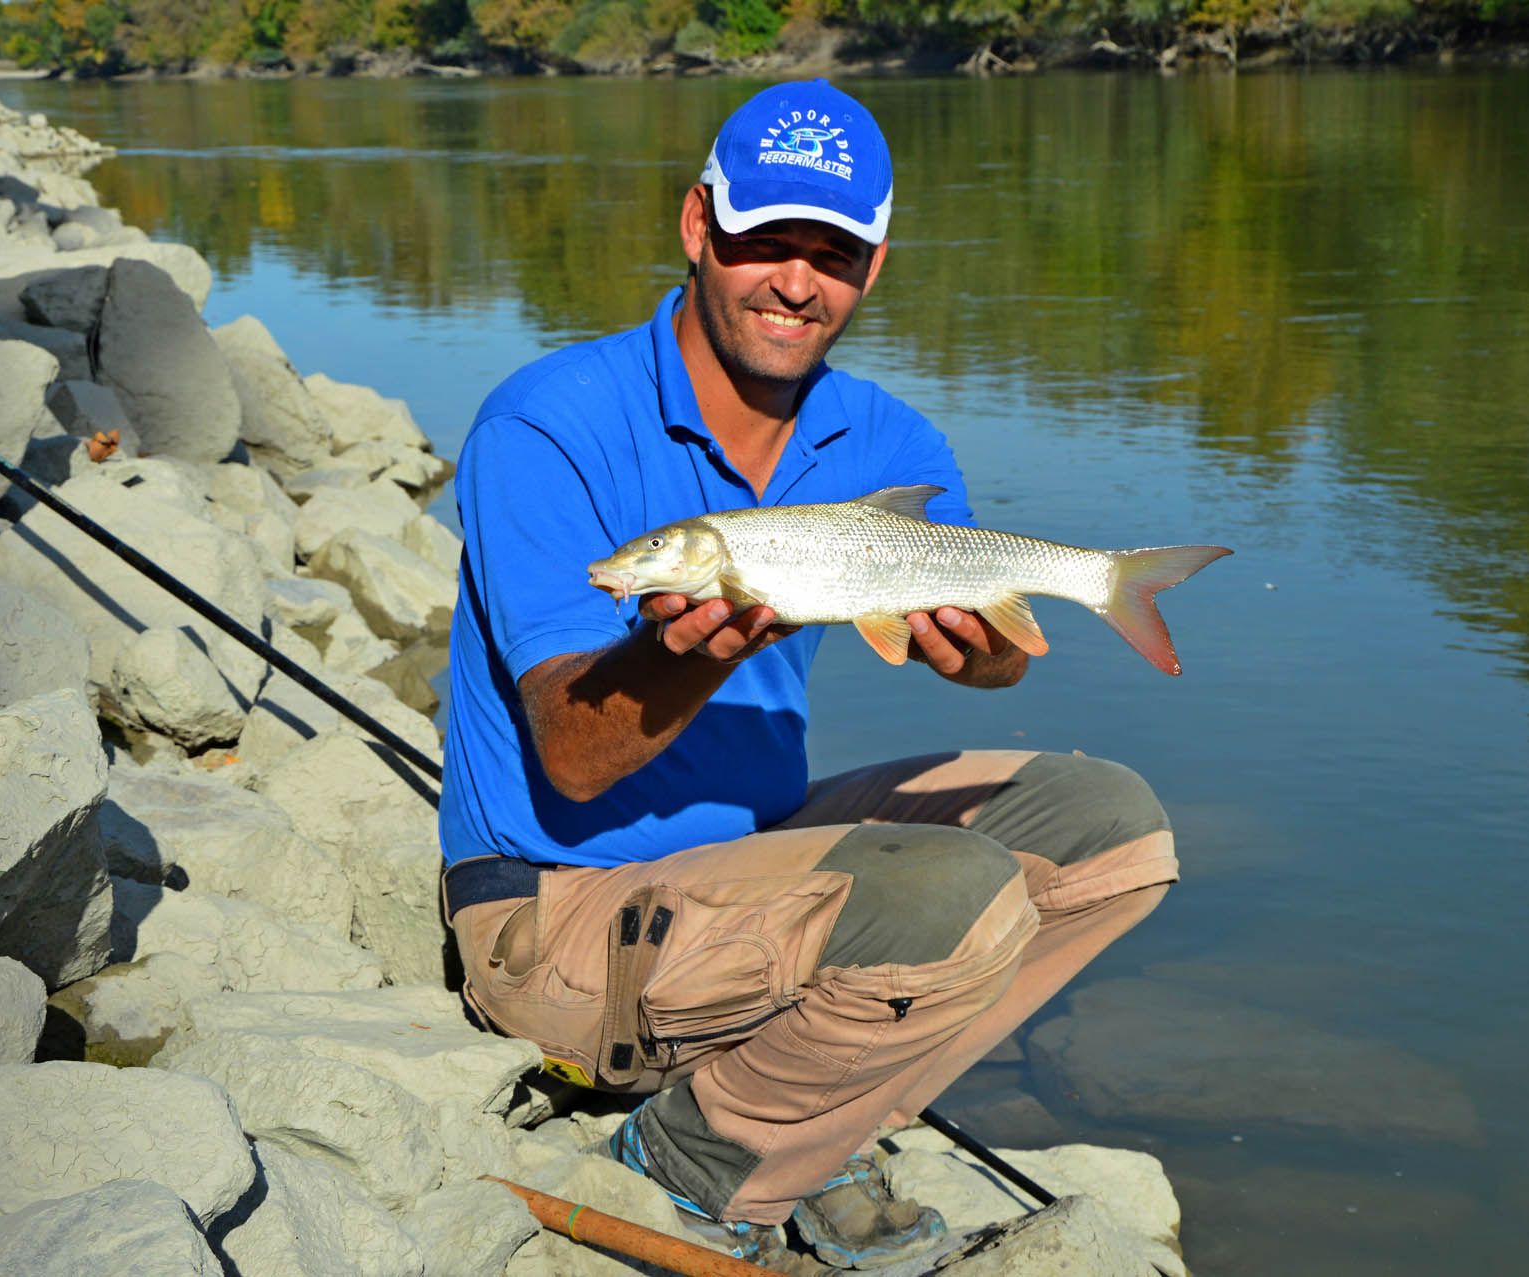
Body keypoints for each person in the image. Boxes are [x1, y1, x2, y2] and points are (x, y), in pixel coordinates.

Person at [440, 79, 1180, 1270]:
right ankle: (694, 1156)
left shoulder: (889, 443)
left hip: (750, 858)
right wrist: (697, 645)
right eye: (762, 242)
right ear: (698, 227)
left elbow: (995, 668)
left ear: (873, 266)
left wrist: (979, 649)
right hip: (555, 907)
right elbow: (572, 761)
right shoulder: (546, 423)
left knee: (1114, 828)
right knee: (950, 887)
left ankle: (821, 1107)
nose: (795, 281)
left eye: (829, 253)